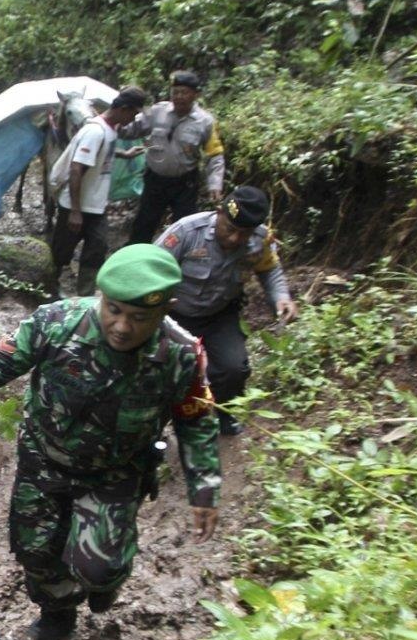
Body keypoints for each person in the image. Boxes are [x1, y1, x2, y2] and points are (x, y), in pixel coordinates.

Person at [0, 244, 222, 640]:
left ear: (166, 307)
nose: (121, 326)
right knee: (36, 552)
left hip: (114, 475)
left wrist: (203, 488)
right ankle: (57, 615)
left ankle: (104, 577)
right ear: (100, 296)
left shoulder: (181, 355)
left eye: (139, 317)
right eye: (113, 310)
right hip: (44, 464)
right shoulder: (57, 322)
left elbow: (196, 420)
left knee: (99, 570)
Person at [156, 185, 299, 435]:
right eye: (230, 229)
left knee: (234, 368)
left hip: (219, 315)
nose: (235, 239)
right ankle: (158, 424)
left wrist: (281, 297)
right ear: (219, 212)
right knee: (164, 370)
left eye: (244, 234)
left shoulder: (260, 239)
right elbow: (150, 265)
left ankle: (226, 413)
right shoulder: (187, 231)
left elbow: (270, 269)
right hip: (173, 314)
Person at [51, 86, 149, 297]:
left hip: (96, 204)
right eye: (133, 113)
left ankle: (85, 295)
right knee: (61, 252)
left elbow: (103, 154)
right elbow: (76, 169)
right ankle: (49, 287)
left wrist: (125, 154)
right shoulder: (95, 131)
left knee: (97, 247)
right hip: (76, 205)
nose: (133, 119)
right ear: (123, 108)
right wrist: (76, 211)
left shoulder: (110, 128)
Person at [120, 70, 226, 245]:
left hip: (184, 184)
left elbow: (215, 154)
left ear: (195, 94)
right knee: (144, 224)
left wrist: (215, 184)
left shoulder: (205, 121)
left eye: (184, 92)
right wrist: (114, 120)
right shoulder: (157, 111)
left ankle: (180, 265)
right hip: (155, 181)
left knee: (186, 228)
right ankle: (135, 259)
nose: (179, 97)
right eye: (175, 92)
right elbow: (131, 129)